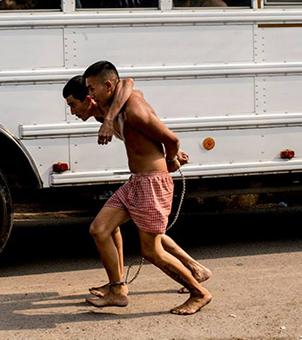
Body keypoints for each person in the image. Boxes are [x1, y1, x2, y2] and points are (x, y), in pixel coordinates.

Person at [62, 76, 212, 297]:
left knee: (151, 248)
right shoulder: (104, 113)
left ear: (89, 99)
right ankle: (118, 286)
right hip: (138, 181)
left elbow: (128, 83)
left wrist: (171, 155)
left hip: (151, 181)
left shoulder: (119, 107)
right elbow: (143, 135)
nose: (72, 112)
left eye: (73, 104)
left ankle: (198, 291)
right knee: (104, 228)